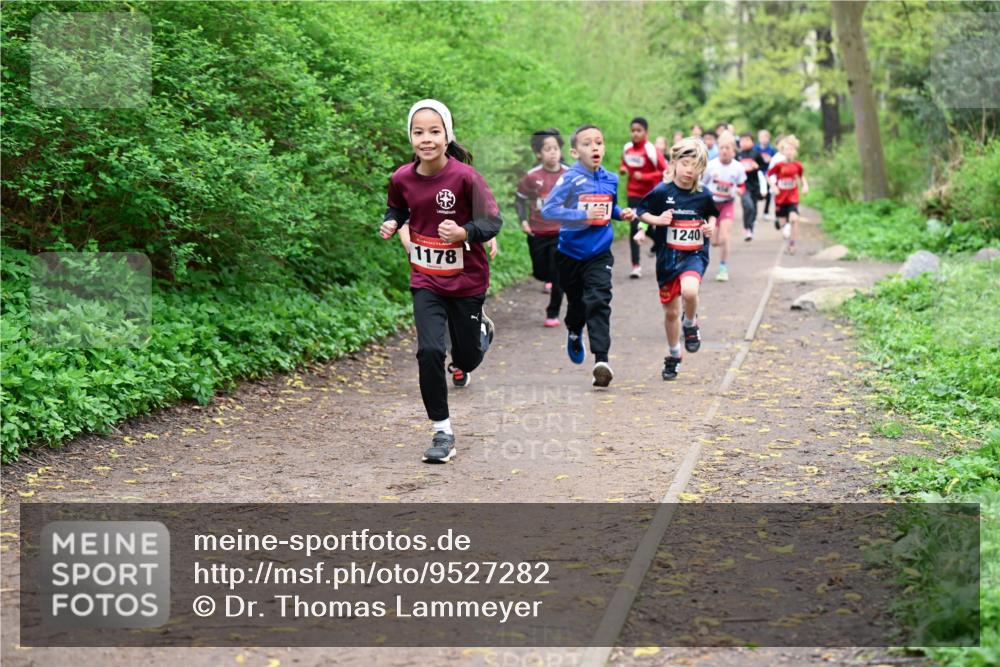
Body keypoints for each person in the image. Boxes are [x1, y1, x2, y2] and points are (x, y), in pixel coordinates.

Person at [379, 99, 502, 463]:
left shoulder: (466, 178)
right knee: (430, 351)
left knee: (466, 358)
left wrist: (464, 232)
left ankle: (480, 333)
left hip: (467, 280)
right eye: (418, 132)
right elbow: (397, 208)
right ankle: (442, 431)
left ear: (447, 136)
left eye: (434, 131)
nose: (426, 139)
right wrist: (391, 222)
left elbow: (492, 221)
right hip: (426, 279)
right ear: (410, 137)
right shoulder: (401, 178)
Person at [542, 124, 637, 388]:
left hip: (599, 253)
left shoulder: (611, 179)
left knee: (598, 300)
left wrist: (621, 213)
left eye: (599, 142)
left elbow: (610, 206)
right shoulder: (570, 179)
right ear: (575, 152)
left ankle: (601, 361)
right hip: (570, 254)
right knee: (577, 305)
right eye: (587, 143)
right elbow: (549, 210)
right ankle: (574, 331)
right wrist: (582, 215)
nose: (594, 147)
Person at [633, 138, 719, 382]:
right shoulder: (663, 191)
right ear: (674, 163)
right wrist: (657, 220)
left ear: (702, 170)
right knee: (671, 313)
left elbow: (713, 214)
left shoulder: (703, 194)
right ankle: (674, 354)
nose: (689, 170)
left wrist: (710, 227)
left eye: (695, 166)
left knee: (690, 291)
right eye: (685, 164)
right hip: (668, 259)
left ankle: (690, 323)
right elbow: (642, 211)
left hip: (694, 254)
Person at [515, 129, 569, 327]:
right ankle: (548, 278)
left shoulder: (569, 174)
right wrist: (523, 221)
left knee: (558, 273)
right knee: (540, 271)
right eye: (547, 149)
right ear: (539, 153)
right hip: (537, 232)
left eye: (555, 148)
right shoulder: (531, 176)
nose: (553, 152)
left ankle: (552, 312)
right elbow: (519, 200)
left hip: (561, 232)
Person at [619, 117, 667, 278]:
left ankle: (661, 242)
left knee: (646, 225)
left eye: (639, 130)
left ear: (646, 132)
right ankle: (636, 265)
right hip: (632, 193)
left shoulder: (651, 150)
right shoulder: (627, 148)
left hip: (649, 195)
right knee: (634, 226)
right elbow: (624, 162)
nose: (635, 133)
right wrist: (623, 168)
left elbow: (665, 171)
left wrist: (644, 176)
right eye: (633, 130)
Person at [701, 133, 745, 282]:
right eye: (722, 148)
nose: (724, 151)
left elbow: (742, 184)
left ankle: (723, 267)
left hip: (727, 204)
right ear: (718, 149)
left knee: (724, 237)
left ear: (733, 151)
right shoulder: (711, 165)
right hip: (712, 206)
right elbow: (702, 183)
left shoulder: (738, 167)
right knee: (714, 241)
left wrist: (740, 191)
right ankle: (719, 260)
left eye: (728, 148)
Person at [767, 135, 808, 254]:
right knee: (783, 225)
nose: (789, 152)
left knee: (794, 219)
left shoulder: (797, 165)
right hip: (780, 198)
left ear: (795, 151)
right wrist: (773, 186)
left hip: (793, 197)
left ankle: (792, 244)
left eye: (791, 149)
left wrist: (805, 186)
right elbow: (768, 175)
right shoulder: (779, 165)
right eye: (787, 150)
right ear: (783, 151)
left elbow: (801, 176)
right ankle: (783, 226)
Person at [736, 133, 769, 241]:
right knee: (748, 206)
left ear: (752, 142)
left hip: (754, 185)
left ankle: (750, 227)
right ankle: (747, 229)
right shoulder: (738, 155)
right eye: (742, 140)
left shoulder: (756, 154)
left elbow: (764, 166)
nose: (744, 142)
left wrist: (757, 167)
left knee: (753, 208)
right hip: (743, 185)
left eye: (747, 140)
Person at [755, 129, 777, 223]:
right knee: (757, 194)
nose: (763, 139)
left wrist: (770, 159)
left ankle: (766, 212)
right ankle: (754, 213)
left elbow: (776, 160)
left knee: (769, 193)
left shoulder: (771, 149)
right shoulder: (755, 148)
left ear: (768, 138)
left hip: (768, 173)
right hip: (758, 172)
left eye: (765, 137)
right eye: (761, 137)